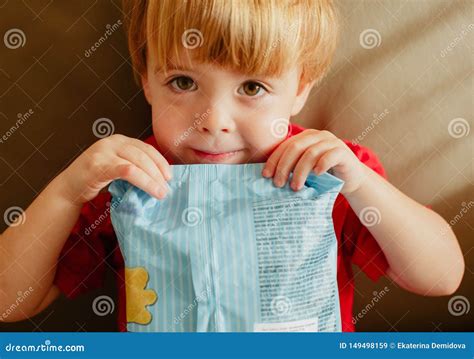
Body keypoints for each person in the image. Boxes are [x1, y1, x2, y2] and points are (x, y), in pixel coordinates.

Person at [0, 0, 464, 331]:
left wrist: (362, 185)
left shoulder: (328, 171)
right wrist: (65, 193)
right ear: (146, 79)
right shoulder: (125, 176)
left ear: (301, 88)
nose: (214, 122)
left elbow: (441, 278)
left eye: (253, 88)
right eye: (182, 81)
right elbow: (10, 303)